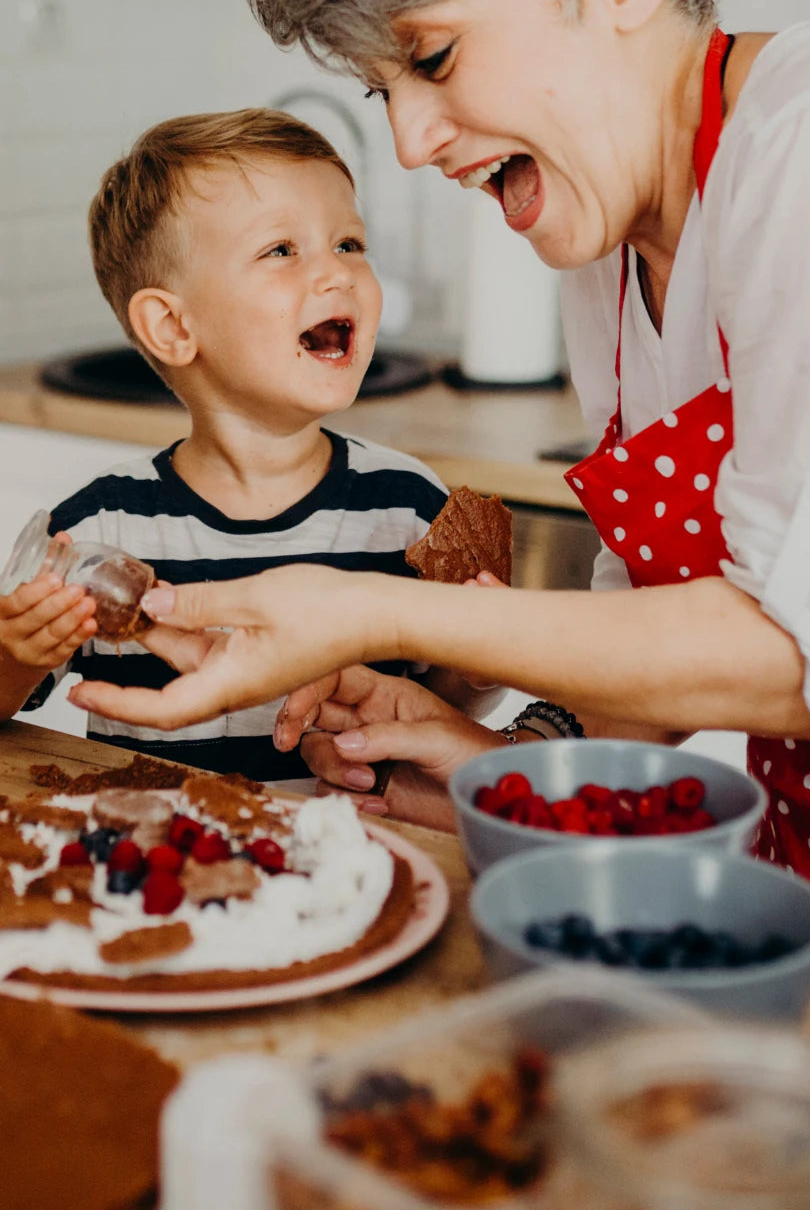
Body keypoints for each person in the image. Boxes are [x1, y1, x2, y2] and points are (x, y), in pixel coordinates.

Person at [70, 0, 810, 943]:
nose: (410, 143)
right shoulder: (610, 241)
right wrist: (501, 761)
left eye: (435, 58)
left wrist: (373, 611)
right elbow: (661, 636)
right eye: (385, 91)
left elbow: (807, 651)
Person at [0, 108, 491, 782]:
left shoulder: (409, 509)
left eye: (349, 243)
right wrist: (16, 652)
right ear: (173, 327)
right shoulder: (100, 530)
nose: (338, 273)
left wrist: (478, 664)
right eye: (281, 250)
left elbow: (448, 713)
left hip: (361, 842)